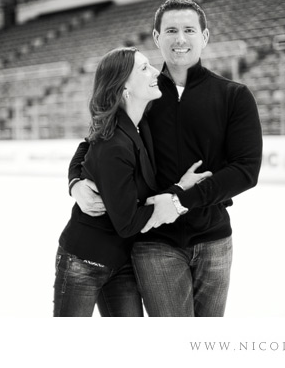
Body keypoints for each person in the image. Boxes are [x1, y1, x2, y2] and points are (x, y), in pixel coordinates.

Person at [69, 0, 262, 317]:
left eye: (189, 30)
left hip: (214, 238)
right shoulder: (141, 92)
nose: (181, 38)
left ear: (205, 37)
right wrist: (75, 180)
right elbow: (94, 142)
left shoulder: (234, 95)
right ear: (157, 38)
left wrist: (181, 199)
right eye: (171, 30)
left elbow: (246, 170)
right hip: (154, 242)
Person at [54, 47, 212, 317]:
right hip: (84, 260)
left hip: (122, 261)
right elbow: (127, 223)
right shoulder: (114, 141)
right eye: (144, 68)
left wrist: (74, 181)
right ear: (124, 86)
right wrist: (178, 196)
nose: (155, 73)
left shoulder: (140, 122)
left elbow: (86, 144)